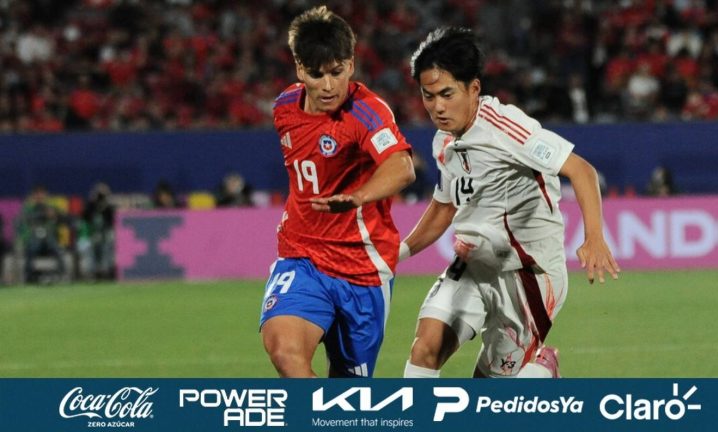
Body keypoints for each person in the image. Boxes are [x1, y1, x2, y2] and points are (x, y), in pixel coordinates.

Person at [399, 27, 620, 379]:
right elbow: (444, 206)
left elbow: (581, 170)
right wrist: (397, 254)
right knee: (424, 350)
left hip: (528, 276)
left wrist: (594, 237)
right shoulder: (444, 141)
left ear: (473, 88)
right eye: (428, 96)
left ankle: (541, 371)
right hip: (473, 264)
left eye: (446, 94)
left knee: (489, 397)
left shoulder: (506, 127)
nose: (437, 107)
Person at [259, 6, 415, 378]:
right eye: (317, 74)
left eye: (337, 72)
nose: (329, 86)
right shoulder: (284, 108)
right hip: (302, 257)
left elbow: (402, 167)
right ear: (300, 70)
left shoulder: (367, 112)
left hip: (361, 269)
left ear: (351, 65)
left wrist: (359, 196)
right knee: (286, 354)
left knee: (348, 395)